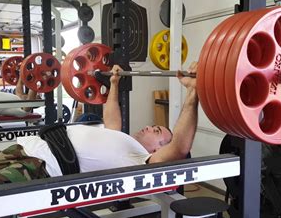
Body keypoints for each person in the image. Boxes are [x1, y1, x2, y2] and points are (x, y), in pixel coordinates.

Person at [16, 61, 199, 176]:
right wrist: (113, 83)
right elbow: (112, 121)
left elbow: (180, 148)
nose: (148, 127)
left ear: (160, 150)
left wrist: (193, 90)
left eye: (156, 131)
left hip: (37, 166)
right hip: (26, 149)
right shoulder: (126, 144)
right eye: (153, 126)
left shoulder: (142, 161)